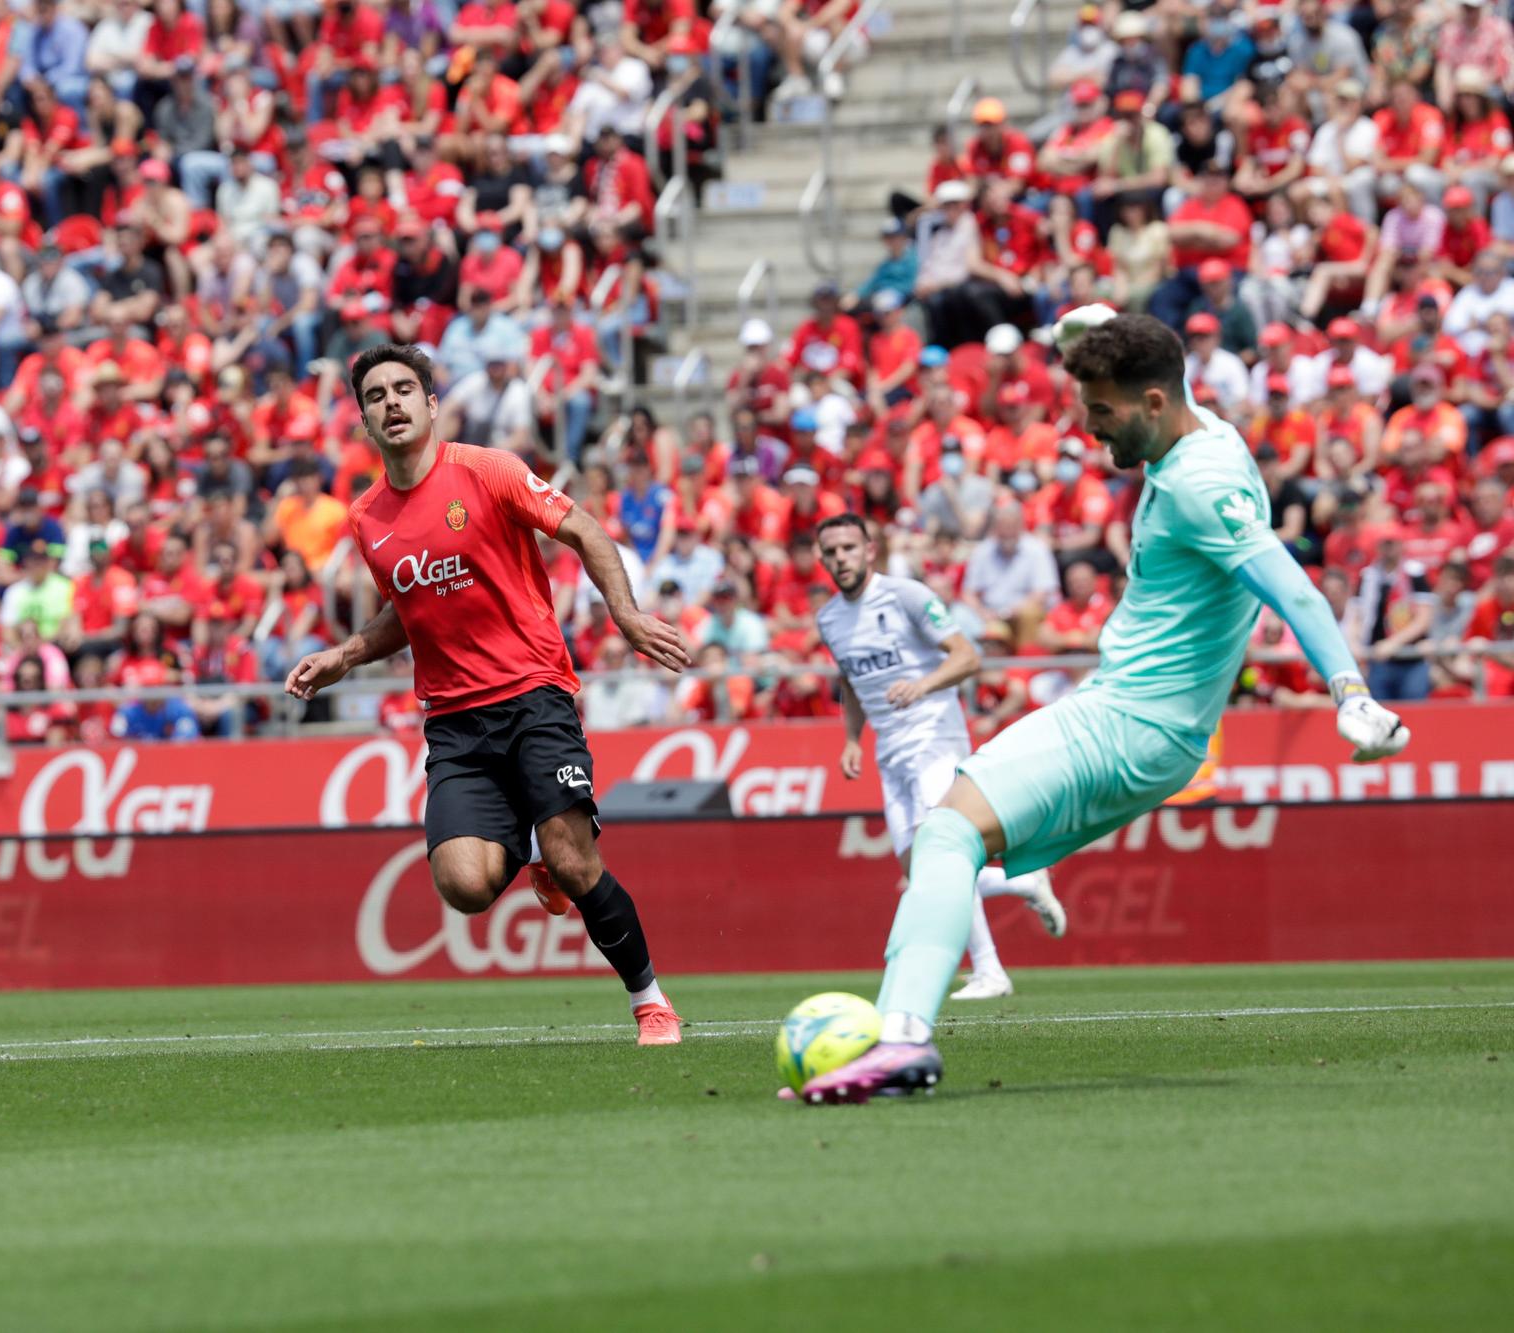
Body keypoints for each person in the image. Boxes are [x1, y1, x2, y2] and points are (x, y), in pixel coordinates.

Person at [790, 311, 1411, 1106]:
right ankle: (931, 994)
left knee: (944, 832)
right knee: (947, 849)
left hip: (1129, 722)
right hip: (1149, 728)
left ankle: (901, 1041)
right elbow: (1148, 353)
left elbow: (1291, 584)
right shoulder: (1204, 428)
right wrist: (1103, 323)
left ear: (1154, 403)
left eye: (1102, 412)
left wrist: (1348, 690)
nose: (1087, 430)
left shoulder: (1200, 483)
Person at [284, 344, 694, 1046]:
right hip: (454, 721)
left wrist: (625, 614)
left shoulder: (487, 470)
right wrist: (346, 655)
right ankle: (533, 836)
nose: (392, 402)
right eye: (377, 394)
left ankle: (650, 1000)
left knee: (573, 859)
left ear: (431, 403)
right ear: (363, 419)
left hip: (534, 690)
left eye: (404, 388)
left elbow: (584, 530)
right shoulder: (366, 518)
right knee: (464, 885)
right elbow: (404, 609)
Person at [815, 514, 1066, 1002]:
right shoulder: (829, 618)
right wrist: (851, 739)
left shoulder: (906, 596)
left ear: (870, 550)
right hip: (890, 750)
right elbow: (850, 678)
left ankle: (990, 970)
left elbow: (967, 656)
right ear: (821, 559)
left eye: (848, 547)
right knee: (920, 871)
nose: (840, 558)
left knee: (941, 853)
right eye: (831, 551)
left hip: (935, 735)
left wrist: (923, 685)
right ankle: (1023, 880)